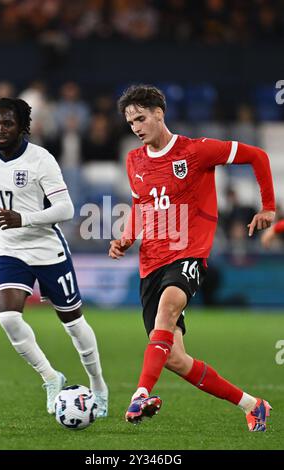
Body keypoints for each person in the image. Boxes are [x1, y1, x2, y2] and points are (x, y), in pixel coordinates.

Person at [109, 84, 275, 431]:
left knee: (168, 308)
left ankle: (140, 394)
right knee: (175, 359)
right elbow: (142, 204)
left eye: (141, 118)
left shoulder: (196, 151)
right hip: (150, 262)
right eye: (130, 123)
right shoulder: (134, 160)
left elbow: (257, 155)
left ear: (159, 113)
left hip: (188, 253)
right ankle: (252, 405)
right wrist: (126, 237)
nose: (136, 128)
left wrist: (269, 207)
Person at [0, 98, 108, 417]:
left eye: (7, 123)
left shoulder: (41, 160)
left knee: (73, 323)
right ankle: (51, 378)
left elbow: (66, 209)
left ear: (23, 127)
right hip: (10, 249)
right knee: (8, 317)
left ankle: (98, 384)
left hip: (46, 249)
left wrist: (24, 219)